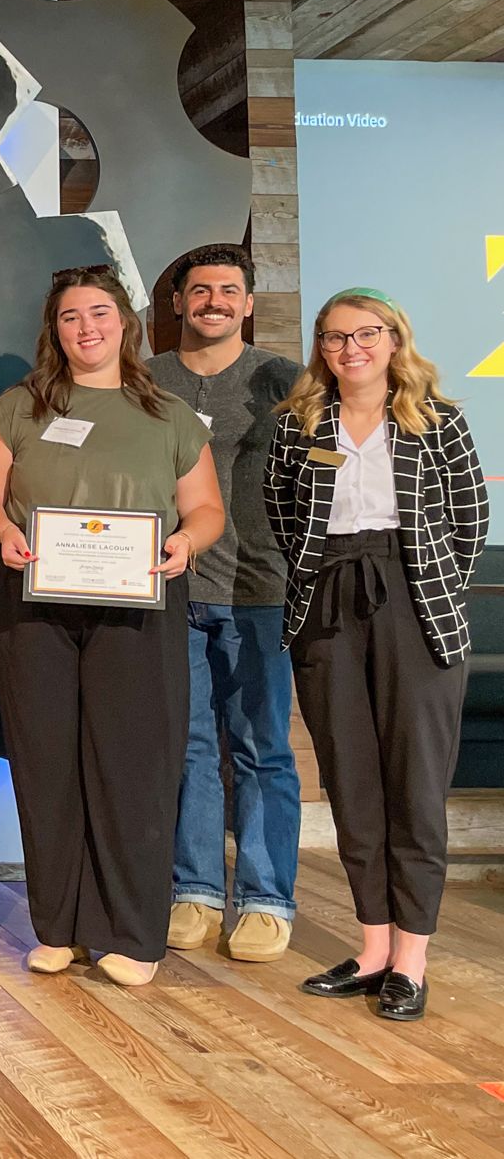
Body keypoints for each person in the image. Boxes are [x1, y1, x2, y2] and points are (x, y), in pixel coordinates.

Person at [0, 265, 224, 987]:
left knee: (134, 766)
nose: (87, 327)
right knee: (46, 762)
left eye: (100, 313)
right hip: (35, 603)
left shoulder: (168, 412)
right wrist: (0, 536)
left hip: (139, 605)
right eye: (72, 316)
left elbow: (205, 509)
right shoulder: (19, 407)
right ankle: (60, 927)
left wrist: (186, 543)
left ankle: (131, 931)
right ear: (55, 328)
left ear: (125, 322)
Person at [268, 289, 487, 1022]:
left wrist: (419, 587)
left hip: (415, 608)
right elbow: (281, 513)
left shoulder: (439, 421)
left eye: (366, 335)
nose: (350, 349)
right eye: (334, 338)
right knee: (352, 780)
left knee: (415, 787)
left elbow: (469, 523)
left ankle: (413, 957)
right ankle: (372, 947)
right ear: (320, 350)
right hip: (328, 600)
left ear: (395, 340)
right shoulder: (299, 427)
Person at [149, 244, 304, 964]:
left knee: (263, 750)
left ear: (247, 303)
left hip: (260, 591)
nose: (214, 300)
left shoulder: (286, 381)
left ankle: (267, 901)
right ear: (177, 302)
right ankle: (195, 891)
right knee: (189, 747)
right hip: (167, 591)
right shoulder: (144, 381)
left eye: (229, 290)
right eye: (200, 289)